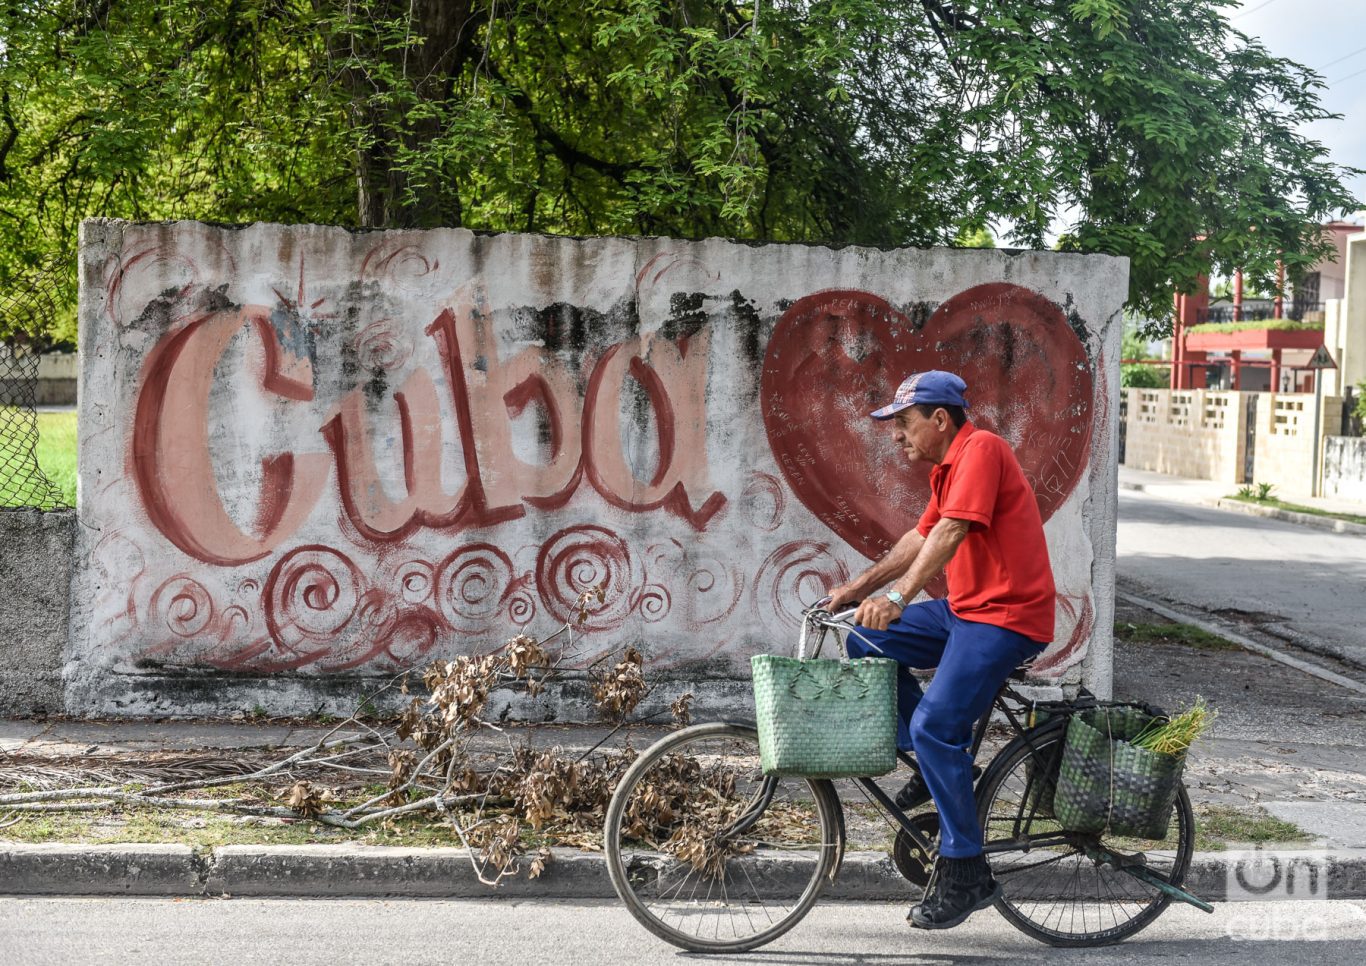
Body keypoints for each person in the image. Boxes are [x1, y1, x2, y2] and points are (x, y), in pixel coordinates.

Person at [825, 369, 1056, 930]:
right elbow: (918, 538)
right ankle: (938, 767)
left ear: (939, 419)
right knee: (863, 636)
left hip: (1007, 617)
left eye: (903, 424)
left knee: (934, 725)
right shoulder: (948, 470)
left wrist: (899, 596)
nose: (897, 436)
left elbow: (951, 532)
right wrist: (856, 591)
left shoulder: (982, 450)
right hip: (966, 611)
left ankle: (966, 872)